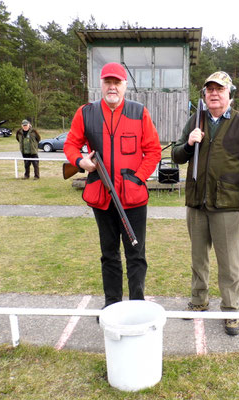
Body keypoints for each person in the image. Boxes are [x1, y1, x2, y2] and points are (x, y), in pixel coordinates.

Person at [64, 62, 161, 311]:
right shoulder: (86, 112)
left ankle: (137, 305)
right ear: (101, 84)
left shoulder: (139, 112)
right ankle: (112, 305)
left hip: (133, 198)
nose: (112, 87)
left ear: (125, 86)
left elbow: (153, 151)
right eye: (108, 82)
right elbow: (71, 144)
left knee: (136, 254)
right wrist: (80, 161)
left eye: (117, 82)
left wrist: (137, 178)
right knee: (109, 254)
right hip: (102, 196)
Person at [171, 71, 239, 336]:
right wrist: (188, 143)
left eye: (219, 89)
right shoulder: (195, 121)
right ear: (204, 95)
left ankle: (231, 310)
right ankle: (199, 301)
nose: (214, 93)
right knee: (198, 259)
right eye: (209, 89)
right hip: (197, 202)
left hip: (227, 205)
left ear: (229, 94)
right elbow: (176, 156)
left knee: (229, 262)